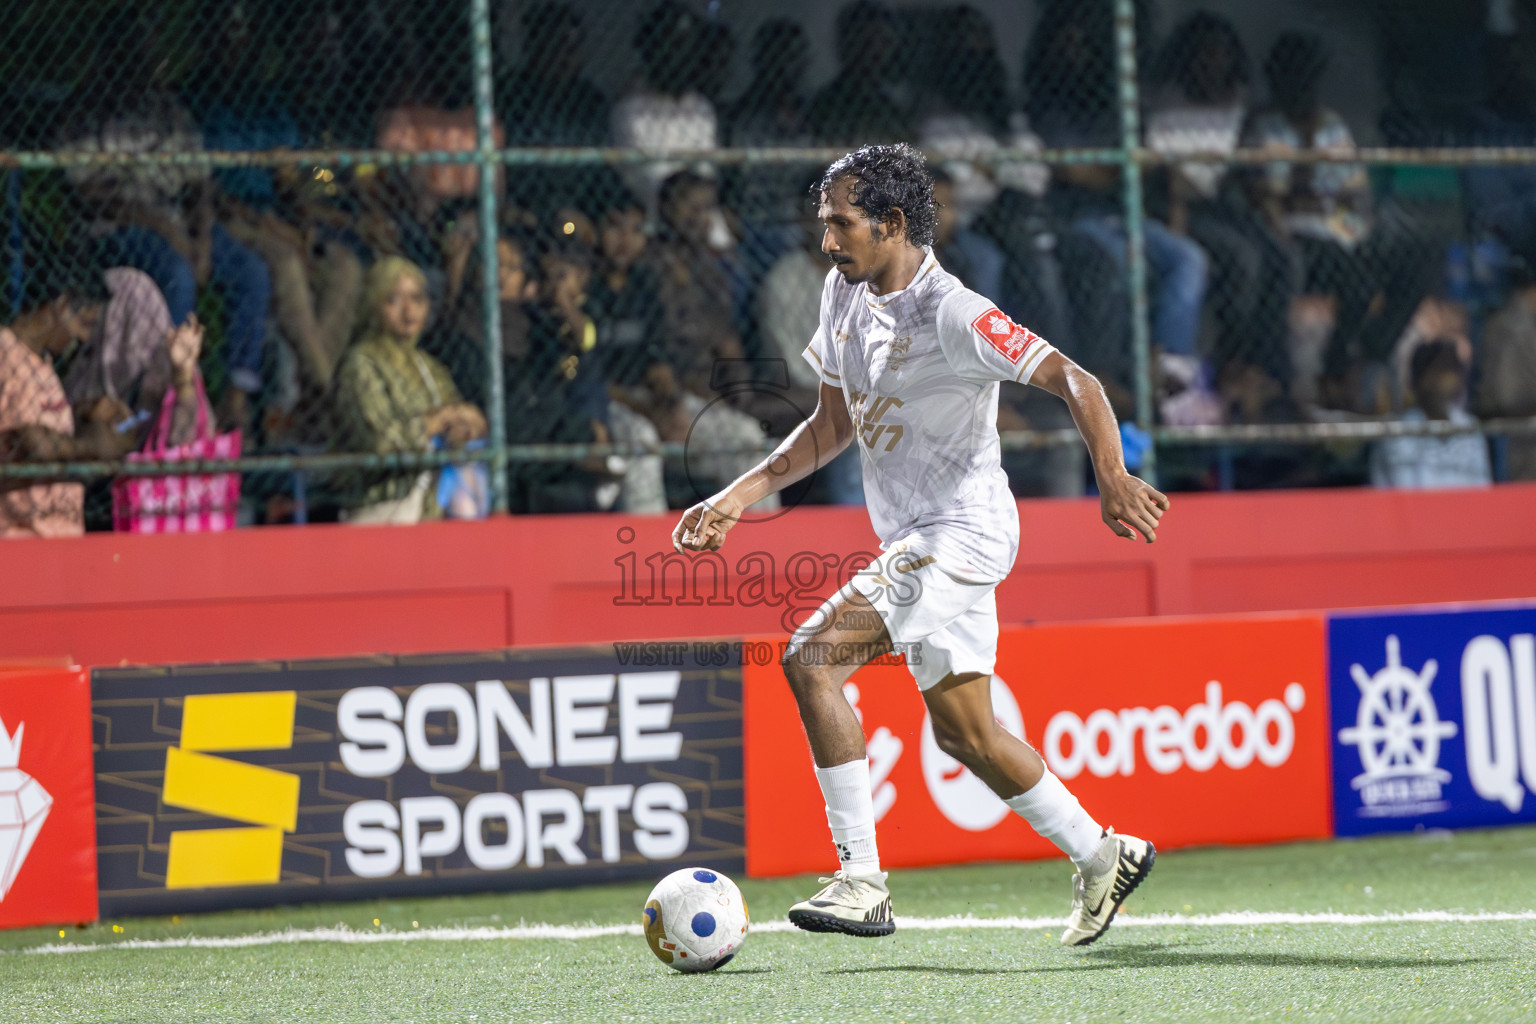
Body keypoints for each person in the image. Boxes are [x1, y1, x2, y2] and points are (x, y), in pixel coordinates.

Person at [671, 144, 1165, 943]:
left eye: (841, 224)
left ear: (893, 223)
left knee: (811, 655)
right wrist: (737, 497)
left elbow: (1078, 380)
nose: (826, 241)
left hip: (964, 534)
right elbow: (832, 425)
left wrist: (1111, 473)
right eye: (824, 223)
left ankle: (861, 880)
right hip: (914, 536)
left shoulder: (955, 312)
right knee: (967, 734)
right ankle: (1103, 854)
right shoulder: (842, 290)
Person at [1242, 33, 1438, 409]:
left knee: (1419, 256)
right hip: (1293, 235)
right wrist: (1307, 176)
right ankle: (1334, 370)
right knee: (1358, 282)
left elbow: (1353, 189)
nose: (1303, 85)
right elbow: (1267, 194)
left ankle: (1372, 351)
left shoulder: (1331, 125)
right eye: (1294, 75)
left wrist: (1309, 186)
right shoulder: (1265, 126)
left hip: (1344, 229)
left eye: (1309, 75)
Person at [330, 257, 488, 524]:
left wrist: (467, 424)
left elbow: (455, 419)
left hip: (432, 506)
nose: (409, 310)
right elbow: (378, 443)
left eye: (417, 299)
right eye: (393, 300)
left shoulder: (428, 367)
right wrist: (433, 423)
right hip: (383, 503)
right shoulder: (361, 365)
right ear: (373, 305)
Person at [0, 243, 139, 537]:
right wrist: (92, 448)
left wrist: (83, 413)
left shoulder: (43, 363)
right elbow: (26, 439)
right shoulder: (6, 355)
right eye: (84, 323)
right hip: (20, 539)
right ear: (61, 305)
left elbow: (38, 420)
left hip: (59, 536)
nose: (85, 337)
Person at [1370, 339, 1491, 489]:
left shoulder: (1469, 427)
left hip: (1463, 510)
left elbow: (1482, 487)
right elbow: (1402, 492)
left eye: (1451, 370)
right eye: (1437, 371)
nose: (1444, 379)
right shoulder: (1397, 433)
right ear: (1419, 379)